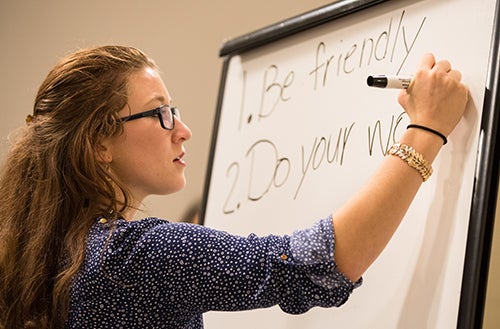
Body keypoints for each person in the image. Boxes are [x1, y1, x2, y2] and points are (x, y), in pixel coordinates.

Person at [0, 45, 468, 328]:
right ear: (99, 143)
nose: (182, 130)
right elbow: (316, 264)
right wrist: (426, 130)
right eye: (160, 112)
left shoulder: (56, 251)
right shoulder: (133, 255)